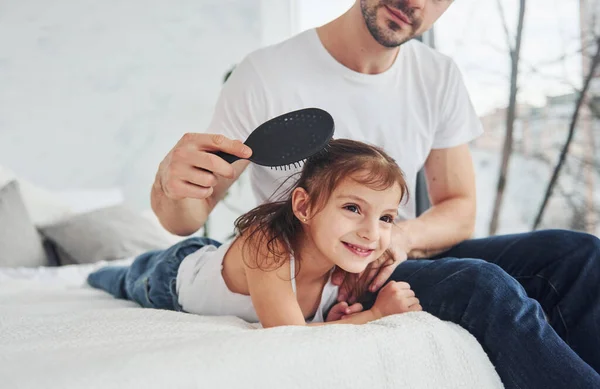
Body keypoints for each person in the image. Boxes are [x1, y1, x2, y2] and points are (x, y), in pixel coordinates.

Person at [150, 1, 600, 387]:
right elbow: (187, 217)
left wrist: (396, 238)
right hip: (324, 267)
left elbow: (459, 208)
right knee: (480, 287)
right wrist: (170, 184)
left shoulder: (437, 76)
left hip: (390, 250)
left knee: (578, 254)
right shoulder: (266, 75)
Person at [89, 140, 422, 327]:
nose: (371, 232)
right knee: (121, 279)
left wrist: (329, 318)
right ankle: (96, 271)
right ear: (304, 207)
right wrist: (375, 315)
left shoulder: (345, 258)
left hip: (219, 259)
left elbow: (306, 329)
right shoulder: (268, 245)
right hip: (170, 278)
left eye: (387, 218)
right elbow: (289, 337)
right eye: (353, 208)